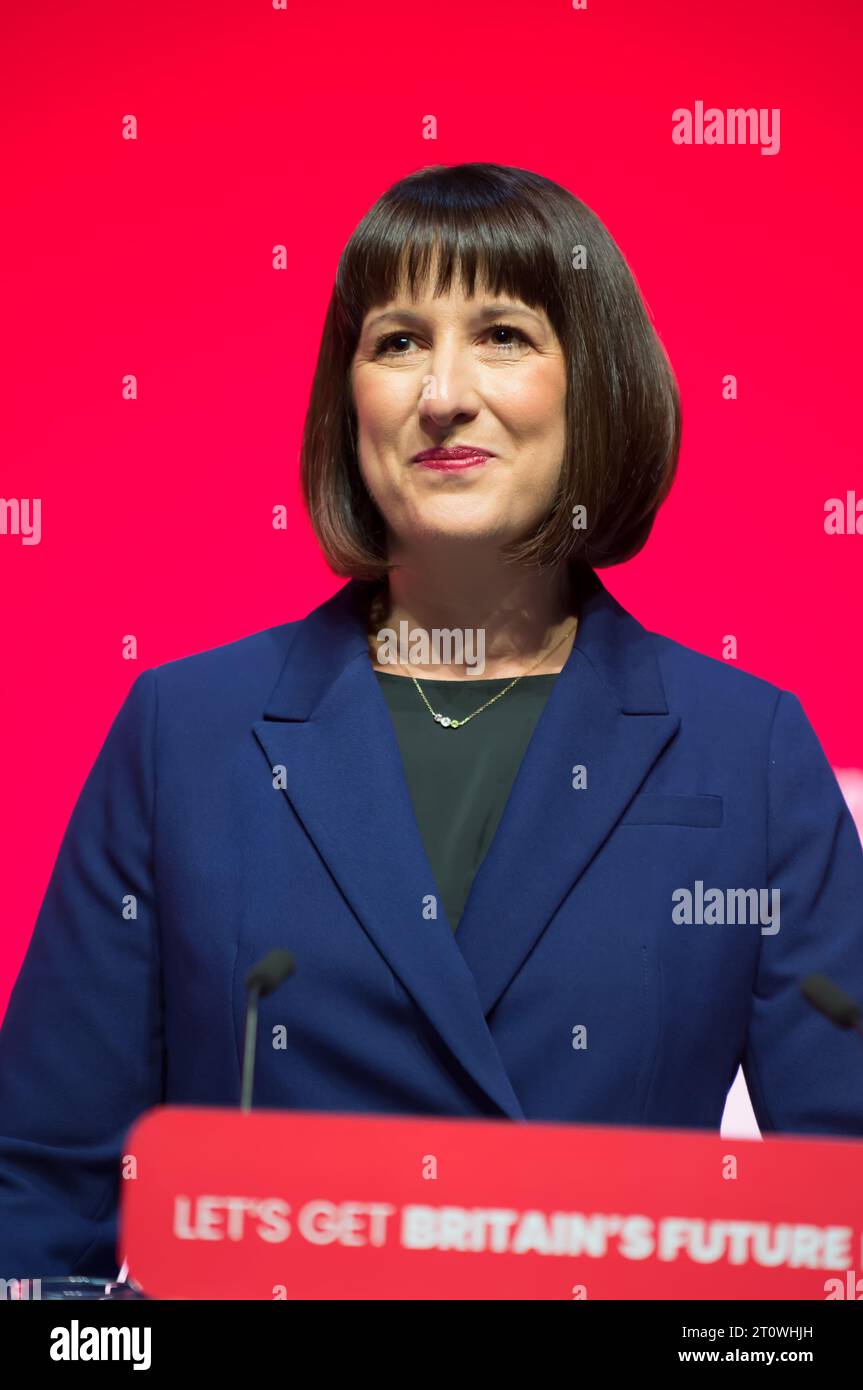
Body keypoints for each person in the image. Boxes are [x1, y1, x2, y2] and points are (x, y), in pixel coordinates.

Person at [1, 162, 862, 1281]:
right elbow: (41, 1190)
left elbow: (837, 1205)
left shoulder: (744, 750)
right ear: (345, 398)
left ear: (591, 382)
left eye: (501, 333)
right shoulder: (184, 731)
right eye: (396, 341)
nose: (441, 392)